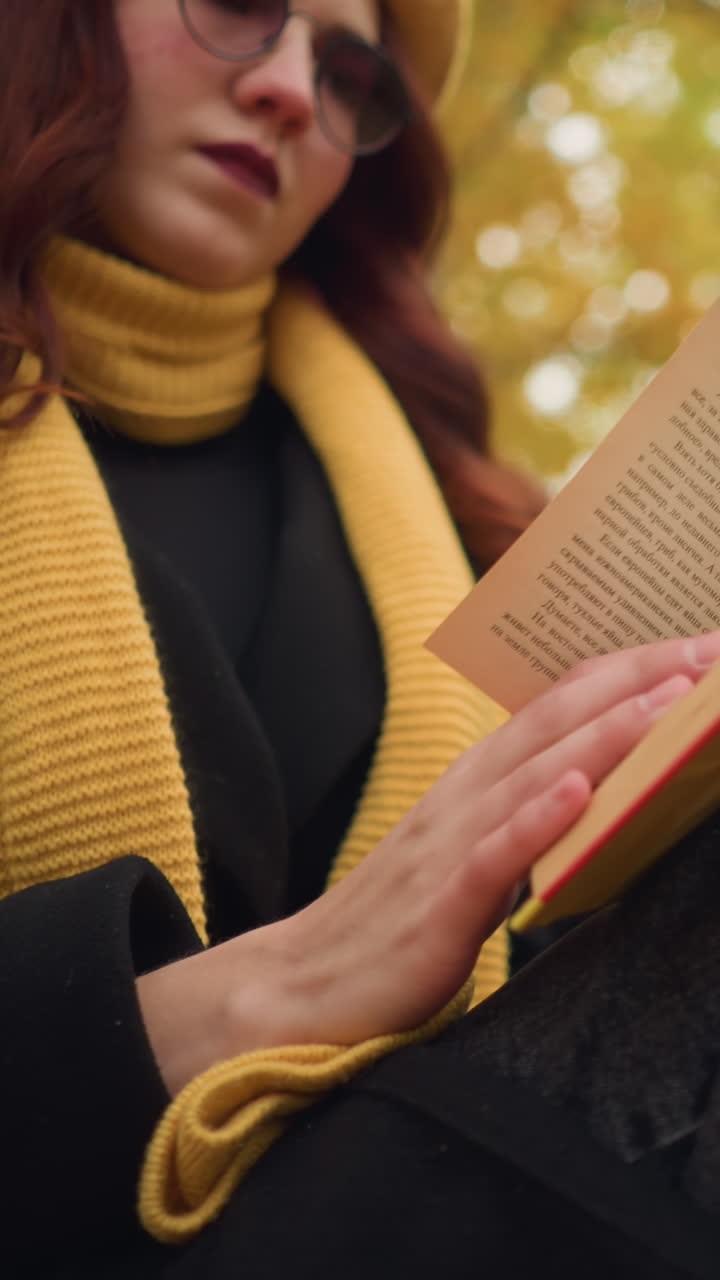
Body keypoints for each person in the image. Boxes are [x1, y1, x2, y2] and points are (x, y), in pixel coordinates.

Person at [1, 3, 719, 1277]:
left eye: (348, 75)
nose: (289, 90)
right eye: (235, 8)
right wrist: (249, 994)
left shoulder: (467, 517)